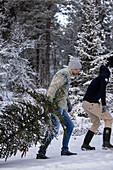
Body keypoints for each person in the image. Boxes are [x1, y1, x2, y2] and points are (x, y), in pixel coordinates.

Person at [36, 56, 82, 159]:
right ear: (73, 68)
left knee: (69, 126)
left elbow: (63, 91)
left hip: (61, 105)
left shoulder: (68, 74)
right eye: (78, 69)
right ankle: (41, 152)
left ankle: (64, 150)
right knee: (54, 130)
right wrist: (48, 103)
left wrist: (68, 103)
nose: (79, 71)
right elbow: (53, 87)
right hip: (56, 106)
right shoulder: (63, 74)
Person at [81, 65, 113, 151]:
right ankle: (106, 142)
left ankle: (85, 144)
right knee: (109, 119)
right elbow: (102, 90)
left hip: (85, 103)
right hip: (91, 103)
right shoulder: (103, 78)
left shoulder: (97, 79)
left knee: (96, 123)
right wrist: (104, 104)